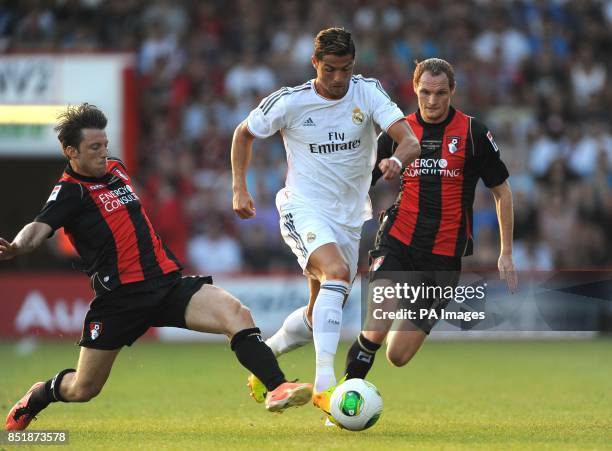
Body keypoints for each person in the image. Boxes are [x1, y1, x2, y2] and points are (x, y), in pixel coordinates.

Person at [2, 104, 312, 431]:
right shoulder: (70, 192)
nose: (103, 153)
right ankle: (39, 395)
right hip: (119, 300)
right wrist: (18, 247)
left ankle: (277, 388)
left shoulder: (117, 169)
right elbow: (40, 226)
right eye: (94, 148)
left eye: (105, 145)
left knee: (236, 314)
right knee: (84, 388)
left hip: (164, 283)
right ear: (70, 151)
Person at [230, 27, 421, 417]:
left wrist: (396, 161)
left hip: (350, 218)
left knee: (320, 309)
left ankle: (266, 358)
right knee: (335, 272)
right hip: (303, 206)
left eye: (346, 69)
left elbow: (410, 140)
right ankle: (324, 387)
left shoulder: (366, 91)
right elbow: (243, 134)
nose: (338, 79)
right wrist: (239, 189)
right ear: (314, 63)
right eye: (330, 69)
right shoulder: (290, 102)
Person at [344, 58, 518, 380]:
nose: (432, 101)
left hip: (443, 258)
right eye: (425, 92)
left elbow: (502, 192)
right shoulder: (399, 130)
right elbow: (359, 184)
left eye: (440, 93)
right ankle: (343, 399)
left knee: (397, 355)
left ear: (453, 90)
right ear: (415, 89)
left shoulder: (473, 133)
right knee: (377, 324)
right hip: (398, 240)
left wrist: (505, 251)